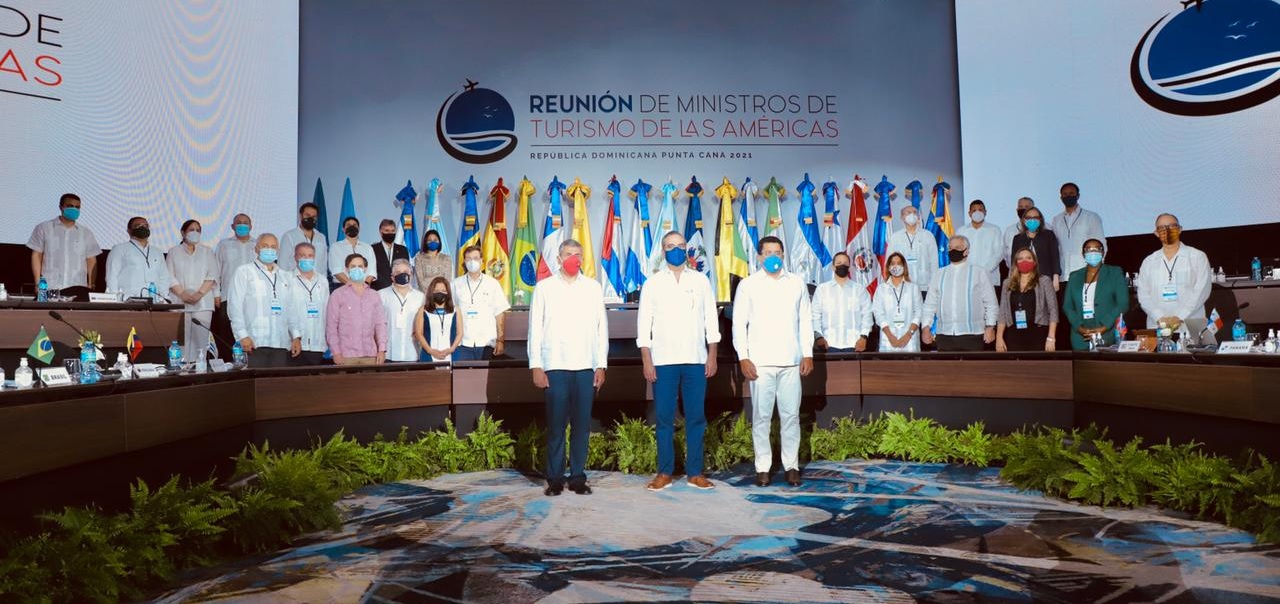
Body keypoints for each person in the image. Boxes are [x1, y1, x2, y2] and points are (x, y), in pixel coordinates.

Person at [637, 231, 721, 492]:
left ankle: (695, 472)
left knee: (696, 417)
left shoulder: (700, 281)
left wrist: (712, 355)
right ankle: (664, 472)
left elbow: (711, 320)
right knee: (664, 418)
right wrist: (647, 360)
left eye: (680, 246)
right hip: (663, 361)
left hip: (695, 360)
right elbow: (644, 325)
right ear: (663, 251)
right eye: (670, 246)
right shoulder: (652, 284)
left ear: (687, 249)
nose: (676, 250)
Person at [528, 239, 608, 496]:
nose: (574, 258)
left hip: (585, 365)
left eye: (578, 254)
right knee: (556, 426)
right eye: (568, 254)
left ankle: (577, 477)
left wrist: (601, 364)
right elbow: (535, 329)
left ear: (583, 259)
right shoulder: (544, 288)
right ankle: (554, 478)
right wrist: (536, 365)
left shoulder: (593, 288)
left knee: (582, 427)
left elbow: (602, 328)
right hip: (555, 365)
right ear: (559, 258)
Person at [732, 235, 813, 487]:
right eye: (767, 252)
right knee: (761, 418)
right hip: (760, 363)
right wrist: (743, 357)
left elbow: (806, 321)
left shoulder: (796, 283)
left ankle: (791, 466)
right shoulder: (748, 285)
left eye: (777, 252)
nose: (773, 257)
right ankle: (763, 468)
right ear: (759, 256)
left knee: (790, 417)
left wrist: (807, 353)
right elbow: (738, 324)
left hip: (790, 361)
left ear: (783, 254)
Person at [228, 233, 296, 368]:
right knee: (254, 380)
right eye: (265, 246)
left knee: (277, 381)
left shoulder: (286, 276)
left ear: (278, 250)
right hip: (254, 342)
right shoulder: (244, 272)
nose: (269, 250)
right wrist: (242, 336)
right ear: (256, 249)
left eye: (273, 247)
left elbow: (291, 309)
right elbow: (234, 306)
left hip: (280, 343)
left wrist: (296, 336)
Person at [1136, 213, 1212, 333]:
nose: (1167, 230)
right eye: (1161, 228)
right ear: (1156, 233)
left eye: (1172, 226)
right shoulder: (1149, 262)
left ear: (1180, 229)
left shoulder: (1197, 257)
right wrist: (1159, 317)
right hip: (1158, 326)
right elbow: (1143, 295)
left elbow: (1202, 291)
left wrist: (1179, 317)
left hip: (1190, 325)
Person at [922, 235, 999, 351]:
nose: (953, 250)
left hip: (973, 334)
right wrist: (926, 327)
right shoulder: (938, 274)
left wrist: (990, 326)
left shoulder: (979, 272)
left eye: (957, 248)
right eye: (950, 248)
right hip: (944, 335)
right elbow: (929, 305)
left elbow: (991, 303)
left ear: (966, 251)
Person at [166, 220, 219, 362]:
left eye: (198, 230)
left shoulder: (207, 251)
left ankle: (200, 368)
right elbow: (169, 276)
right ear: (183, 233)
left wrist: (198, 294)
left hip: (203, 303)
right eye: (191, 229)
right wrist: (183, 294)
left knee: (201, 340)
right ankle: (181, 368)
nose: (195, 233)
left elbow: (212, 275)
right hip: (179, 301)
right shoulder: (173, 251)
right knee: (180, 340)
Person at [1063, 239, 1129, 350]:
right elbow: (1067, 306)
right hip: (1080, 338)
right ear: (1083, 253)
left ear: (1102, 252)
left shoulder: (1114, 273)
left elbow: (1123, 303)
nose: (1093, 252)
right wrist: (1079, 328)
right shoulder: (1074, 276)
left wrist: (1104, 327)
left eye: (1096, 249)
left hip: (1107, 335)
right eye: (1089, 249)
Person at [27, 193, 101, 293]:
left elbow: (91, 260)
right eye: (70, 206)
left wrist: (91, 284)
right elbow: (36, 255)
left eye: (77, 207)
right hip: (50, 286)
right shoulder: (44, 228)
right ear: (61, 207)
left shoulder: (86, 233)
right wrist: (37, 283)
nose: (74, 209)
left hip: (78, 287)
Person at [325, 253, 388, 365]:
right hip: (346, 356)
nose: (357, 269)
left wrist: (382, 350)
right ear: (346, 269)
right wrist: (336, 352)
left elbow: (380, 324)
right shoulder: (338, 295)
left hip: (370, 354)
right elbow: (331, 326)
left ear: (365, 269)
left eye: (360, 266)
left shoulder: (374, 295)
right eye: (353, 266)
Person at [452, 245, 511, 360]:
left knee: (485, 372)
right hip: (462, 343)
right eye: (468, 259)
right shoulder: (455, 284)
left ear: (481, 261)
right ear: (464, 262)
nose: (472, 262)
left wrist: (500, 340)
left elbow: (500, 313)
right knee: (462, 372)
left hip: (487, 342)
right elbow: (450, 313)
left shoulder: (492, 284)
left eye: (475, 258)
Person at [996, 248, 1058, 352]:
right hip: (1013, 335)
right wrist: (999, 337)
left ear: (1034, 262)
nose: (1024, 261)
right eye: (1020, 258)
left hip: (1038, 334)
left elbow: (1053, 310)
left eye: (1028, 258)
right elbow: (1003, 312)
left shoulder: (1044, 281)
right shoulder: (1007, 283)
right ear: (1016, 263)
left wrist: (1051, 338)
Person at [811, 252, 873, 352]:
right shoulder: (822, 289)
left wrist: (864, 337)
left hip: (854, 345)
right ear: (833, 267)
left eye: (845, 263)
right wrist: (818, 337)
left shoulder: (860, 289)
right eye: (839, 263)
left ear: (849, 267)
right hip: (828, 344)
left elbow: (867, 315)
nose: (842, 265)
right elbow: (815, 316)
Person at [214, 213, 256, 358]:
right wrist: (216, 294)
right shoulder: (224, 245)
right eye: (239, 222)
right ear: (232, 226)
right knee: (228, 336)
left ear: (251, 226)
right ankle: (228, 366)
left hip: (253, 298)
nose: (242, 225)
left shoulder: (257, 245)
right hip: (228, 296)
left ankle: (250, 366)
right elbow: (216, 270)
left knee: (250, 335)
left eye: (245, 222)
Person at [106, 216, 178, 300]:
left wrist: (163, 297)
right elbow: (112, 276)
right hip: (127, 300)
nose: (143, 227)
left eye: (145, 225)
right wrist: (114, 298)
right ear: (129, 231)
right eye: (138, 226)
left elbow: (164, 277)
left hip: (153, 301)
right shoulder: (119, 249)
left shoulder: (157, 251)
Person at [1050, 183, 1106, 288]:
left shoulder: (1091, 217)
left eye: (1071, 193)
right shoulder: (1056, 220)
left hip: (1085, 273)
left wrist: (1097, 271)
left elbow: (1101, 244)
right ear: (1061, 198)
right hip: (1063, 275)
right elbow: (1055, 247)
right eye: (1065, 194)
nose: (1068, 196)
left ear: (1078, 196)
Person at [284, 242, 329, 365]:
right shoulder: (287, 278)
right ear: (295, 257)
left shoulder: (322, 280)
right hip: (294, 343)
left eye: (310, 256)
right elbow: (286, 311)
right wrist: (295, 336)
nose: (307, 259)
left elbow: (326, 311)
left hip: (317, 344)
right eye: (303, 255)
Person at [872, 252, 923, 352]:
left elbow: (919, 312)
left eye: (899, 263)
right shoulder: (881, 289)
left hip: (910, 341)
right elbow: (878, 313)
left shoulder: (913, 288)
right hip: (888, 341)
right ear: (888, 267)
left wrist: (908, 334)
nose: (896, 266)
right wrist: (890, 336)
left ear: (904, 266)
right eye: (893, 263)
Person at [886, 205, 939, 296]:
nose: (912, 215)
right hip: (902, 286)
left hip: (925, 287)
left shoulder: (928, 236)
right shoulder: (895, 238)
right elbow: (889, 262)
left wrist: (933, 286)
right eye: (909, 212)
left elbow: (934, 263)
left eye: (915, 212)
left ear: (918, 217)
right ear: (902, 217)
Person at [380, 259, 426, 362]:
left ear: (411, 275)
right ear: (392, 277)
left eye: (405, 272)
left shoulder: (420, 297)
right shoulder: (381, 295)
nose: (402, 274)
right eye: (398, 272)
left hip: (412, 353)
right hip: (389, 353)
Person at [954, 199, 1003, 295]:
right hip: (967, 278)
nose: (977, 212)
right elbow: (957, 253)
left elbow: (999, 253)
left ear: (985, 212)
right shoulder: (961, 231)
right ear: (969, 213)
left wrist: (983, 271)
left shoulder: (994, 230)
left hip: (989, 279)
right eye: (974, 210)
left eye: (980, 210)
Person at [1010, 206, 1061, 290]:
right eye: (1029, 217)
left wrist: (1056, 277)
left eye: (1035, 217)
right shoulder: (1018, 238)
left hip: (1045, 279)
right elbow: (1014, 261)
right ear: (1024, 220)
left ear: (1040, 220)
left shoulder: (1049, 235)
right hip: (1023, 280)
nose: (1032, 220)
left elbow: (1055, 257)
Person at [417, 276, 463, 363]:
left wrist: (452, 349)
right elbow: (419, 334)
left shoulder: (456, 310)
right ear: (431, 292)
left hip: (451, 354)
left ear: (448, 293)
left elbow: (460, 333)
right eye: (436, 290)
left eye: (443, 290)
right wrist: (430, 351)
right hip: (428, 355)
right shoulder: (423, 310)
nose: (440, 293)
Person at [278, 202, 329, 277]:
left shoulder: (321, 237)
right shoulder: (289, 236)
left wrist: (324, 281)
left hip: (317, 281)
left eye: (314, 216)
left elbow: (324, 264)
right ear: (300, 215)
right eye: (307, 215)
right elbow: (282, 264)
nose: (310, 218)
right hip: (295, 281)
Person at [329, 217, 375, 289]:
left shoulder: (368, 248)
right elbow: (336, 271)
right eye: (348, 225)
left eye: (354, 225)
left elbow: (372, 271)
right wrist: (353, 286)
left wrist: (364, 286)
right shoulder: (335, 247)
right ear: (343, 229)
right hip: (342, 287)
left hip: (364, 287)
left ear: (359, 228)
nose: (352, 226)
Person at [371, 219, 410, 290]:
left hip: (398, 289)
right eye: (387, 230)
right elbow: (372, 271)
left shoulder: (403, 250)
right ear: (381, 232)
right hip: (378, 290)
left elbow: (405, 270)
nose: (390, 233)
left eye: (392, 231)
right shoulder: (372, 249)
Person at [1003, 196, 1035, 272]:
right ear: (1017, 210)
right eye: (1020, 207)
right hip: (1015, 273)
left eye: (1027, 207)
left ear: (1033, 209)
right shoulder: (1009, 230)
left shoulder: (1046, 228)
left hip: (1038, 273)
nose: (1023, 209)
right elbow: (1005, 254)